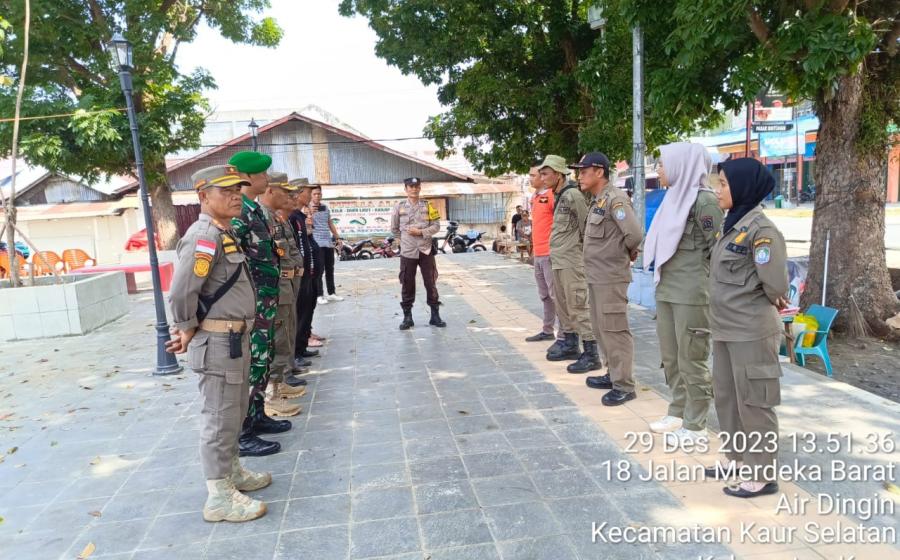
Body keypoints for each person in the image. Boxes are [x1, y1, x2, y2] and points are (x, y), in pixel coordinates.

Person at [166, 164, 269, 522]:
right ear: (203, 197)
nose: (235, 196)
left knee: (235, 411)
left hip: (235, 339)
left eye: (238, 190)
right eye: (226, 191)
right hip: (219, 341)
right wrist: (183, 328)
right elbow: (182, 292)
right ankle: (218, 496)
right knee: (219, 416)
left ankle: (232, 471)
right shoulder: (203, 236)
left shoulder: (223, 233)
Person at [705, 158, 788, 499]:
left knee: (755, 403)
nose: (718, 189)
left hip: (752, 331)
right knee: (727, 398)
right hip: (725, 329)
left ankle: (762, 474)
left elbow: (776, 286)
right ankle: (738, 458)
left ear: (741, 187)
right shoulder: (732, 224)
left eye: (723, 184)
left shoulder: (761, 232)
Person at [643, 143, 724, 444]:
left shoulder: (704, 202)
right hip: (667, 288)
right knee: (671, 357)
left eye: (663, 164)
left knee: (693, 358)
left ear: (681, 165)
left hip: (692, 293)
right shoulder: (672, 199)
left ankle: (696, 424)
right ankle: (677, 410)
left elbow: (719, 250)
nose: (659, 170)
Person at [228, 151, 289, 458]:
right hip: (252, 301)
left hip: (265, 299)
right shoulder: (240, 214)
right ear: (248, 178)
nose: (267, 180)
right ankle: (243, 432)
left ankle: (258, 414)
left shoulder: (254, 210)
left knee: (263, 359)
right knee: (252, 363)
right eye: (263, 175)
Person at [571, 152, 643, 405]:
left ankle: (624, 385)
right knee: (602, 329)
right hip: (597, 276)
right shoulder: (598, 200)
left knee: (615, 330)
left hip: (610, 276)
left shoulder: (615, 199)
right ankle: (613, 374)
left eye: (583, 171)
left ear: (599, 172)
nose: (579, 176)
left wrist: (625, 253)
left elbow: (633, 234)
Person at [540, 155, 597, 371]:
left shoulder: (573, 195)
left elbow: (586, 228)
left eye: (546, 174)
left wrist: (584, 257)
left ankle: (591, 353)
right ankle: (570, 344)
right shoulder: (559, 195)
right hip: (559, 261)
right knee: (563, 306)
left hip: (572, 262)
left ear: (558, 174)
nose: (543, 178)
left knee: (578, 306)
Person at [257, 171, 305, 417]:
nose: (290, 196)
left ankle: (279, 384)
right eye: (284, 191)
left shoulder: (275, 219)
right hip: (274, 288)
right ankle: (272, 395)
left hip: (285, 285)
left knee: (285, 333)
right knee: (276, 338)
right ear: (270, 191)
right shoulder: (262, 218)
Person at [390, 177, 445, 329]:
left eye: (416, 186)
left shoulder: (429, 205)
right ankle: (407, 317)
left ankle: (435, 315)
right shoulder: (399, 207)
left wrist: (420, 232)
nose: (414, 189)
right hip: (408, 251)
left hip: (426, 250)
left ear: (420, 188)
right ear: (406, 189)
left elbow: (436, 226)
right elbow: (394, 229)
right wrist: (402, 242)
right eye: (410, 186)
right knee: (407, 283)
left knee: (430, 282)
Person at [525, 164, 562, 343]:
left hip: (550, 253)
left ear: (542, 177)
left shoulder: (552, 196)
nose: (531, 178)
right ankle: (548, 330)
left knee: (556, 295)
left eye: (534, 175)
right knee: (545, 295)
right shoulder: (534, 198)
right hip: (539, 253)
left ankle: (565, 334)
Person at [291, 193, 322, 369]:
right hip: (300, 276)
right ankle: (295, 352)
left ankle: (301, 347)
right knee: (299, 314)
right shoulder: (293, 219)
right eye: (307, 192)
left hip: (310, 274)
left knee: (307, 311)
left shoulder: (300, 217)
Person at [311, 187, 343, 305]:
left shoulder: (325, 207)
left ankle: (331, 293)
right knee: (319, 270)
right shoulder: (306, 208)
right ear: (311, 195)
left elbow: (329, 223)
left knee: (330, 268)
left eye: (319, 194)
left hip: (328, 242)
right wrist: (309, 213)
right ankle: (319, 295)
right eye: (314, 194)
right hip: (316, 242)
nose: (317, 196)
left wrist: (337, 237)